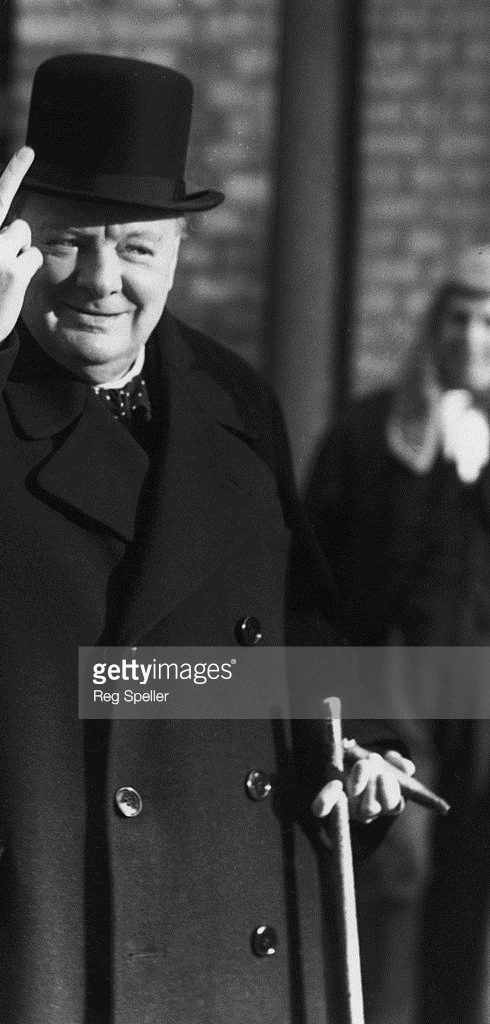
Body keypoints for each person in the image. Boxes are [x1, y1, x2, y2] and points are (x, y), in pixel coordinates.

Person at [0, 54, 414, 1024]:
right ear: (14, 237)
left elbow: (297, 626)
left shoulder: (233, 398)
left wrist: (358, 743)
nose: (102, 282)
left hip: (224, 936)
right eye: (69, 244)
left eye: (137, 249)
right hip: (23, 953)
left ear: (179, 252)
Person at [305, 245, 490, 1024]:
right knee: (396, 869)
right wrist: (431, 464)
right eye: (458, 319)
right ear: (434, 327)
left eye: (488, 322)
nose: (472, 337)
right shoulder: (369, 433)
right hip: (395, 683)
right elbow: (321, 570)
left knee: (471, 883)